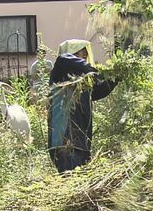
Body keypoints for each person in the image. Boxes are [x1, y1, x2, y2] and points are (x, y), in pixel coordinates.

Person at [48, 39, 118, 173]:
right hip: (64, 140)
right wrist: (96, 71)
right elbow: (64, 59)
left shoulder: (83, 81)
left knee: (79, 179)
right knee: (71, 180)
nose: (84, 60)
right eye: (82, 56)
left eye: (86, 57)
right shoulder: (61, 71)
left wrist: (114, 77)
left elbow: (98, 91)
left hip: (81, 142)